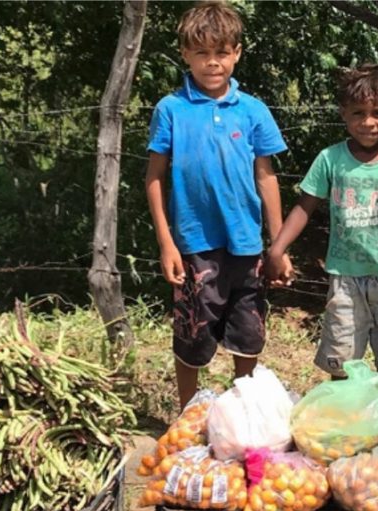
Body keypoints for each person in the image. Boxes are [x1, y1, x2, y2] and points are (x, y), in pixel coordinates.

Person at [144, 1, 293, 408]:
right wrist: (166, 243)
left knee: (248, 331)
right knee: (193, 333)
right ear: (185, 54)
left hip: (246, 243)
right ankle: (188, 417)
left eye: (222, 53)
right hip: (194, 244)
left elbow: (266, 177)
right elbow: (155, 177)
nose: (213, 63)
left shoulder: (252, 111)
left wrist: (277, 245)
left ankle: (242, 411)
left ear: (237, 53)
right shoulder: (171, 110)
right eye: (202, 54)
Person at [266, 63, 378, 379]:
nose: (368, 122)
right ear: (343, 114)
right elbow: (304, 207)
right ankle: (347, 426)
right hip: (345, 278)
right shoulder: (330, 159)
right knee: (342, 361)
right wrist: (276, 249)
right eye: (358, 113)